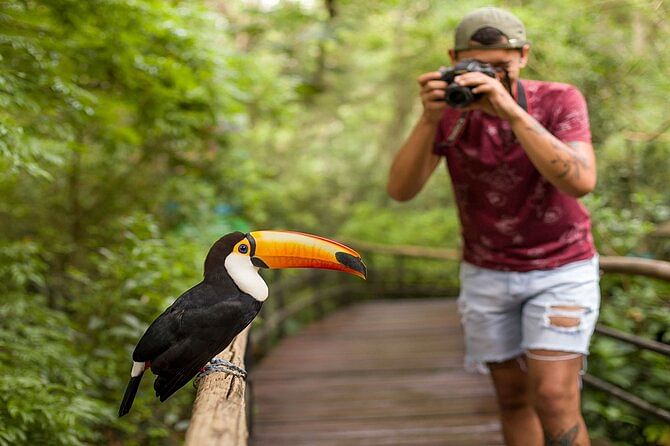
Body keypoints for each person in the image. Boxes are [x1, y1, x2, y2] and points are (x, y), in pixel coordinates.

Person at [387, 7, 600, 446]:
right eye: (478, 67)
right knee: (511, 397)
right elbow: (401, 190)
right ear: (452, 59)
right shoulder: (448, 111)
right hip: (487, 272)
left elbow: (581, 181)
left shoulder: (559, 99)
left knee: (554, 396)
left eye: (501, 67)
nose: (491, 79)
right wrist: (428, 118)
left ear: (524, 56)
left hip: (562, 268)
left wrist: (512, 113)